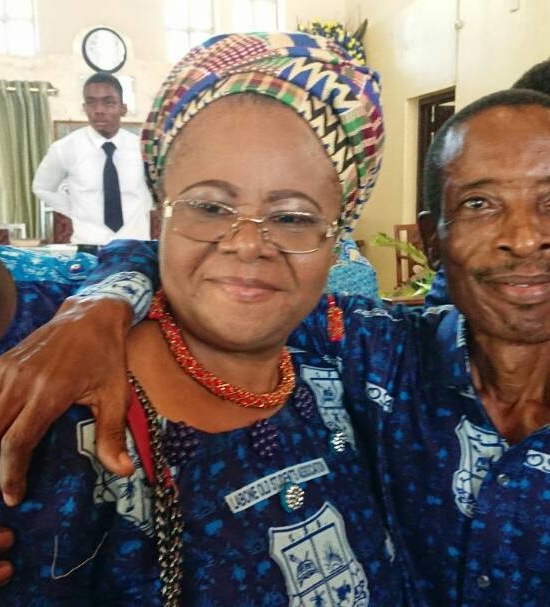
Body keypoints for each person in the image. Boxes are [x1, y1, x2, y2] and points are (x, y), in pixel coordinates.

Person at [0, 32, 409, 605]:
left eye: (293, 217)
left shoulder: (347, 367)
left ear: (336, 239)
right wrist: (104, 300)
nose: (248, 244)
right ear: (160, 212)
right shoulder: (59, 391)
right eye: (210, 207)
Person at [32, 72, 154, 246]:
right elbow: (42, 187)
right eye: (91, 103)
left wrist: (143, 209)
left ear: (123, 108)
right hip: (88, 245)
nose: (99, 110)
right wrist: (76, 210)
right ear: (84, 107)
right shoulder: (65, 148)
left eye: (108, 102)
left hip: (135, 246)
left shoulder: (142, 149)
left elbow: (157, 193)